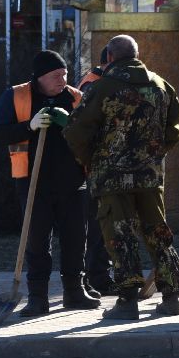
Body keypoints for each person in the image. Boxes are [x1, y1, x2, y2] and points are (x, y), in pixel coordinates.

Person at [63, 34, 179, 320]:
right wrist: (152, 156)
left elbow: (77, 131)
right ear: (137, 55)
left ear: (109, 58)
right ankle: (172, 297)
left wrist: (92, 162)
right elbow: (174, 131)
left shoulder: (102, 87)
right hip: (149, 176)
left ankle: (128, 300)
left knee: (120, 233)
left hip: (112, 176)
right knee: (157, 231)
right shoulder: (160, 85)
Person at [0, 50, 97, 315]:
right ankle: (38, 298)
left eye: (65, 74)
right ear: (40, 77)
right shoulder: (16, 96)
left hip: (72, 182)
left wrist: (69, 123)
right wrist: (29, 126)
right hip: (33, 182)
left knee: (75, 239)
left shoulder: (75, 98)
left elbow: (93, 136)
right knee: (37, 241)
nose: (62, 80)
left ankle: (74, 291)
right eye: (56, 75)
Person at [77, 45, 116, 296]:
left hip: (101, 168)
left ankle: (100, 275)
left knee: (103, 227)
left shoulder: (97, 82)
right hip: (94, 170)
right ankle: (98, 278)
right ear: (110, 61)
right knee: (97, 228)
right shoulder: (93, 86)